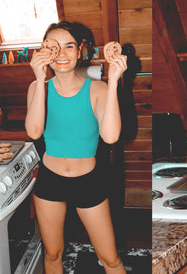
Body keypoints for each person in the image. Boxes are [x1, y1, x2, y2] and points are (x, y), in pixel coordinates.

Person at [25, 21, 128, 273]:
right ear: (43, 52)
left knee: (110, 258)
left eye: (68, 46)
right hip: (50, 180)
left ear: (80, 51)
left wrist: (114, 81)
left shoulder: (98, 89)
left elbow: (111, 136)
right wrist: (39, 78)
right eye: (53, 47)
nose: (61, 54)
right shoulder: (37, 88)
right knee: (52, 253)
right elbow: (34, 131)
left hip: (88, 181)